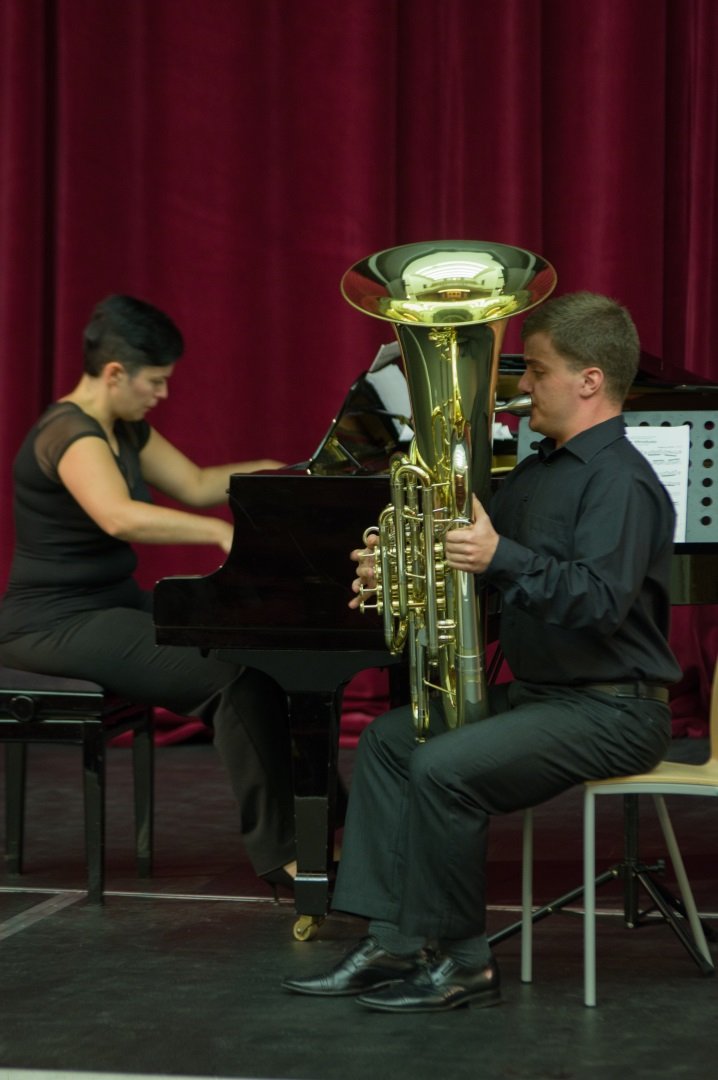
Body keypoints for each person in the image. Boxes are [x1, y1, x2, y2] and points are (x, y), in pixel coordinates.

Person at [281, 291, 682, 1012]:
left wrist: (501, 556)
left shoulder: (621, 481)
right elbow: (477, 562)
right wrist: (398, 566)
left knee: (443, 767)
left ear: (589, 380)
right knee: (390, 742)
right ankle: (392, 941)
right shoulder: (539, 471)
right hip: (546, 696)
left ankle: (464, 963)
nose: (523, 387)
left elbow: (596, 602)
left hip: (614, 710)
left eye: (540, 371)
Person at [0, 293, 296, 888]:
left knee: (259, 645)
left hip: (108, 603)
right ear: (115, 373)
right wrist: (217, 532)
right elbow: (118, 517)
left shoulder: (126, 429)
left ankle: (328, 817)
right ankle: (285, 858)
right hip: (51, 622)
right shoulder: (71, 434)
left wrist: (283, 471)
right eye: (155, 381)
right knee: (230, 677)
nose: (162, 393)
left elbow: (196, 482)